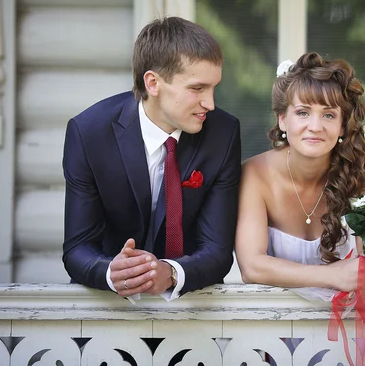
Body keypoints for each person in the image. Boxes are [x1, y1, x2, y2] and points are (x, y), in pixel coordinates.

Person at [62, 17, 241, 300]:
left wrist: (171, 272)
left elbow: (218, 249)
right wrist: (112, 272)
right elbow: (77, 248)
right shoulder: (89, 134)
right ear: (153, 83)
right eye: (197, 88)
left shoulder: (223, 133)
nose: (210, 103)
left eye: (213, 88)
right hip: (105, 310)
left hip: (192, 307)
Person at [235, 52, 365, 298]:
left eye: (328, 115)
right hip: (288, 319)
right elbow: (251, 267)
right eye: (303, 112)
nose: (315, 126)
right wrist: (333, 275)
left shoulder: (364, 179)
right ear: (283, 120)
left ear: (342, 125)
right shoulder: (255, 174)